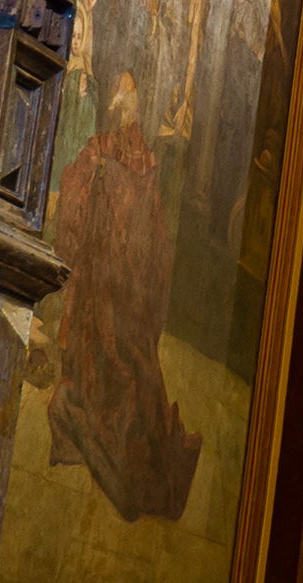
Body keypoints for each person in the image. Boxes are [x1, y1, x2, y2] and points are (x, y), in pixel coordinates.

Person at [42, 66, 204, 523]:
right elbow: (150, 236)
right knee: (120, 357)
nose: (121, 101)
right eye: (119, 93)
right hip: (110, 281)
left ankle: (129, 447)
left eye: (127, 94)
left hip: (117, 286)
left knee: (123, 364)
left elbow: (152, 233)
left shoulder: (126, 156)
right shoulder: (120, 153)